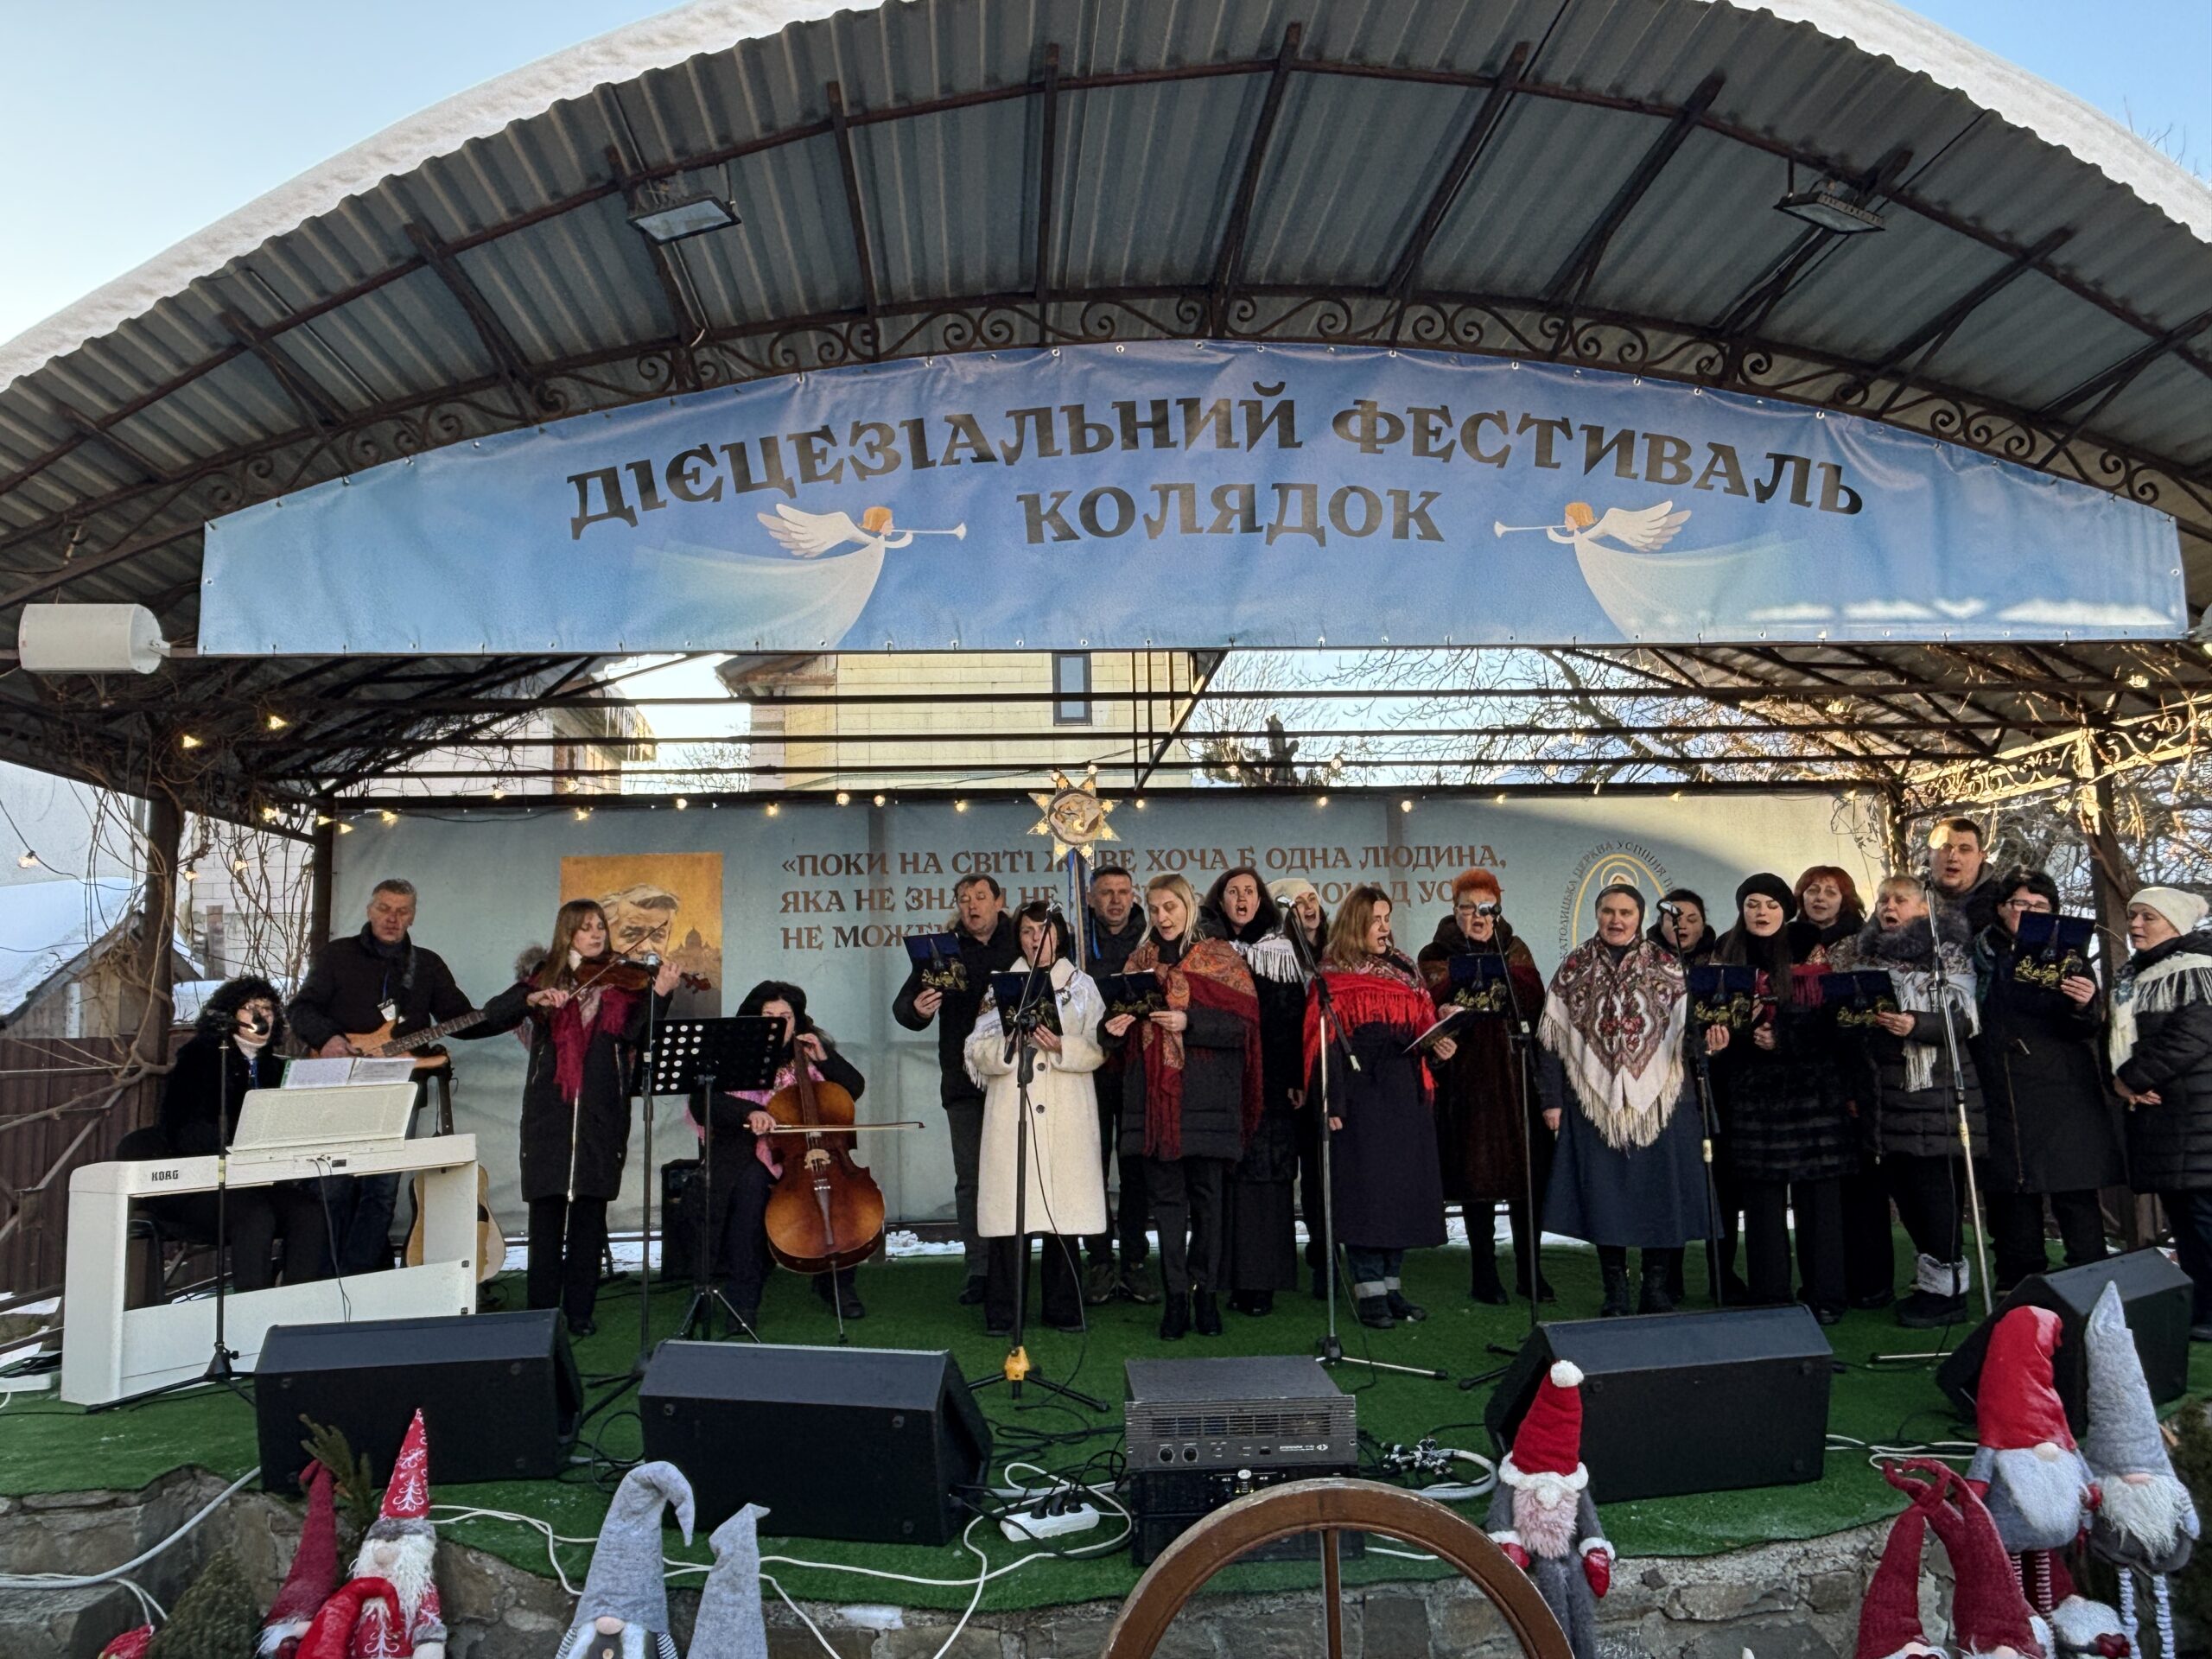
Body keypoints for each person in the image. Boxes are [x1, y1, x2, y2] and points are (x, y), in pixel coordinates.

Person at [477, 899, 679, 1335]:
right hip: (549, 1115)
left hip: (601, 1112)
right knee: (546, 1219)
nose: (596, 935)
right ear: (567, 933)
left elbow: (638, 1035)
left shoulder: (623, 983)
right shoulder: (542, 977)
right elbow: (494, 1013)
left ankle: (581, 1313)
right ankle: (541, 1314)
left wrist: (660, 995)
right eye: (586, 928)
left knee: (590, 1217)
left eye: (600, 927)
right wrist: (532, 997)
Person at [286, 878, 486, 1273]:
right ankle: (326, 1277)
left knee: (381, 1190)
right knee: (334, 1185)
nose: (392, 918)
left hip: (399, 1088)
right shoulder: (337, 956)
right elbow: (301, 1009)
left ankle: (361, 1280)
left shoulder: (426, 964)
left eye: (402, 911)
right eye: (385, 909)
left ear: (413, 916)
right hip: (341, 1084)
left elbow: (461, 1019)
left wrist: (514, 1008)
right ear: (369, 910)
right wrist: (328, 1038)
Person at [1540, 884, 1715, 1317]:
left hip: (1662, 1102)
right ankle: (1615, 1292)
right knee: (1605, 1199)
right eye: (1608, 911)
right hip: (1594, 1103)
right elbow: (1550, 1040)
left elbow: (1688, 1036)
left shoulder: (1668, 967)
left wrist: (1707, 1042)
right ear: (1597, 914)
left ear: (1641, 918)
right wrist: (1551, 1100)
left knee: (1661, 1194)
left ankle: (1655, 1289)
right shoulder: (1574, 967)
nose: (1616, 920)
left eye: (1626, 913)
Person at [1107, 874, 1263, 1338]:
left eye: (1170, 907)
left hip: (1207, 1102)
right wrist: (1113, 1027)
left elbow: (1243, 1028)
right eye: (1155, 909)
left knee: (1209, 1205)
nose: (1163, 917)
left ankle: (1205, 1296)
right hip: (1154, 1105)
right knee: (1168, 1207)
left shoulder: (1220, 957)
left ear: (1188, 906)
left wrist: (1188, 1022)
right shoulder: (1138, 962)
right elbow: (1116, 1028)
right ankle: (1176, 1298)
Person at [1832, 875, 1984, 1329]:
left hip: (1933, 1095)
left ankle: (1949, 1295)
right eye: (1883, 899)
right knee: (1908, 1198)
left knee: (1936, 1199)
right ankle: (1930, 1285)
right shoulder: (1862, 956)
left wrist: (1916, 1024)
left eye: (1900, 899)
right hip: (1884, 1098)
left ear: (1923, 908)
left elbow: (1965, 1019)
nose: (1888, 906)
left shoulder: (1946, 952)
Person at [1302, 884, 1452, 1330]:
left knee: (1399, 1192)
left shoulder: (1406, 967)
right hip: (1360, 1095)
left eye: (1387, 919)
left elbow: (1423, 1025)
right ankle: (1368, 1292)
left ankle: (1392, 1287)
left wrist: (1439, 1044)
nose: (1385, 928)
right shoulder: (1332, 971)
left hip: (1404, 1092)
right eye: (1376, 920)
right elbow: (1320, 1043)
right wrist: (1330, 1100)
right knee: (1367, 1193)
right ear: (1356, 923)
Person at [1706, 874, 1853, 1322]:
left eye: (1771, 904)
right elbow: (1707, 1013)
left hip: (1810, 1095)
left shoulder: (1809, 944)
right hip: (1752, 1097)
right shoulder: (1726, 950)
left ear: (1785, 909)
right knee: (1762, 1204)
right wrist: (1720, 1040)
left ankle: (1825, 1297)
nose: (1761, 913)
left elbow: (1833, 1017)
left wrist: (1784, 1035)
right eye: (1753, 904)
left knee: (1818, 1203)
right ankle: (1769, 1295)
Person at [1970, 868, 2122, 1292]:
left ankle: (2091, 1285)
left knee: (2075, 1190)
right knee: (2014, 1193)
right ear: (2001, 908)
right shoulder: (1977, 956)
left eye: (2040, 906)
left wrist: (2083, 1004)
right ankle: (2019, 1287)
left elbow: (2088, 1026)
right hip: (2001, 1088)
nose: (2029, 911)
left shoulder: (2069, 953)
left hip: (2062, 1087)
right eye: (2019, 903)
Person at [967, 901, 1109, 1337]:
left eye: (1043, 932)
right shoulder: (1000, 986)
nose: (1035, 939)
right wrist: (1010, 1042)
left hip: (1067, 1111)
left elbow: (1099, 1047)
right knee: (1011, 1214)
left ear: (1059, 937)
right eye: (1027, 931)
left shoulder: (1081, 986)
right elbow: (976, 1049)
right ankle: (1004, 1312)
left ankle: (1063, 1308)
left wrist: (1062, 1045)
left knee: (1063, 1213)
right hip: (1014, 1106)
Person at [693, 981, 868, 1329]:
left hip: (805, 1152)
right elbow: (702, 1102)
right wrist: (748, 1112)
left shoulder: (808, 1051)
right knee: (749, 1191)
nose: (776, 1024)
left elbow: (853, 1088)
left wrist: (825, 1058)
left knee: (835, 1192)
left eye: (785, 1016)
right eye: (768, 1015)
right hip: (749, 1152)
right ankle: (743, 1299)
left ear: (797, 1021)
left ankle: (836, 1284)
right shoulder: (731, 1052)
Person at [1416, 868, 1551, 1305]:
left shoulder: (1515, 948)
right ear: (1454, 911)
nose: (1477, 916)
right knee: (1477, 1177)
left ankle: (1530, 1270)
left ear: (1499, 910)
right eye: (1467, 908)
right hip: (1467, 1082)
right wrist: (1444, 1008)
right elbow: (1426, 1005)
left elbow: (1535, 1000)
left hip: (1516, 1079)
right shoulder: (1435, 953)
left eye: (1486, 908)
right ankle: (1484, 1271)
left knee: (1527, 1177)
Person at [891, 873, 1021, 1306]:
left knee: (1019, 1175)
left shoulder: (1022, 942)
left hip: (1017, 1079)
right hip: (964, 1083)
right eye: (964, 899)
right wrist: (917, 1008)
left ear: (999, 901)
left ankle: (1018, 1265)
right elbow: (904, 1007)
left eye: (981, 897)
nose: (972, 905)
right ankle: (980, 1268)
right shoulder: (941, 951)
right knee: (971, 1180)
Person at [149, 977, 329, 1289]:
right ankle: (251, 1307)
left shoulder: (275, 1068)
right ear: (231, 1014)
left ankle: (298, 1303)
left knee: (309, 1212)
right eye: (250, 1007)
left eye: (267, 1008)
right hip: (202, 1185)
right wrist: (235, 1135)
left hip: (257, 1181)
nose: (261, 1015)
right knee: (255, 1216)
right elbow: (180, 1130)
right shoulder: (199, 1059)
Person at [2109, 886, 2212, 1339]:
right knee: (2186, 1220)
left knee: (2204, 1218)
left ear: (2175, 923)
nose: (2135, 924)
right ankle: (2201, 1305)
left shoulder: (2200, 970)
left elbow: (2191, 1037)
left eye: (2147, 917)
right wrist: (2123, 1082)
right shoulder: (2135, 976)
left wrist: (2131, 1078)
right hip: (2165, 1118)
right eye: (2133, 915)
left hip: (2198, 1115)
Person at [1202, 868, 1303, 1316]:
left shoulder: (1280, 950)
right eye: (1233, 892)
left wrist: (1295, 1077)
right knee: (1224, 1182)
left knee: (1265, 1181)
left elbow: (1293, 1019)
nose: (1242, 899)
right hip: (1220, 1079)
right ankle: (1221, 1277)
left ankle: (1261, 1283)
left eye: (1249, 892)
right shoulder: (1205, 949)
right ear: (1219, 900)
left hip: (1272, 1082)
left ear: (1261, 899)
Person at [1792, 863, 1891, 1307]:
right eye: (1813, 890)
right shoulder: (1790, 940)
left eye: (1830, 892)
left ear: (1845, 899)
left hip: (1857, 1071)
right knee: (1818, 1191)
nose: (1820, 898)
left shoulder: (1865, 941)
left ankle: (1871, 1283)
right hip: (1806, 1076)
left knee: (1863, 1183)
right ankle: (1825, 1281)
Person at [1083, 862, 1154, 1304]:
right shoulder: (1076, 939)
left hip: (1137, 1070)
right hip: (1090, 1069)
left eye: (1123, 891)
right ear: (1091, 898)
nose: (1115, 900)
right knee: (1091, 1166)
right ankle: (1098, 1260)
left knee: (1136, 1168)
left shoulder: (1150, 938)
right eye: (1106, 892)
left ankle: (1134, 1261)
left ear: (1134, 896)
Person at [1270, 874, 1333, 1298]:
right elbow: (1279, 1027)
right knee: (1289, 1171)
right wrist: (1294, 1075)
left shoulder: (1336, 952)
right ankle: (1279, 1259)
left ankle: (1325, 1255)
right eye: (1297, 903)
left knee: (1321, 1174)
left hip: (1330, 1077)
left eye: (1311, 898)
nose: (1308, 907)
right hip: (1291, 1081)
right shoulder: (1276, 957)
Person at [1931, 818, 2003, 938]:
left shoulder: (2005, 903)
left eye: (1964, 849)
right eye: (1945, 847)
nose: (1953, 857)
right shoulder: (1907, 899)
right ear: (1930, 852)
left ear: (1981, 857)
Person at [1649, 889, 1716, 965]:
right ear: (1661, 925)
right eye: (1674, 920)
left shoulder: (1718, 960)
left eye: (1692, 920)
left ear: (1703, 927)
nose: (1682, 925)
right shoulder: (1642, 959)